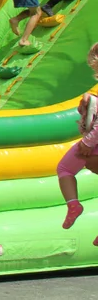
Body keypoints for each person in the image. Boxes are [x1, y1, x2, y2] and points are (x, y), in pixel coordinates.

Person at [57, 45, 98, 235]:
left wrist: (87, 143)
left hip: (93, 144)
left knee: (64, 169)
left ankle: (73, 204)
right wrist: (85, 110)